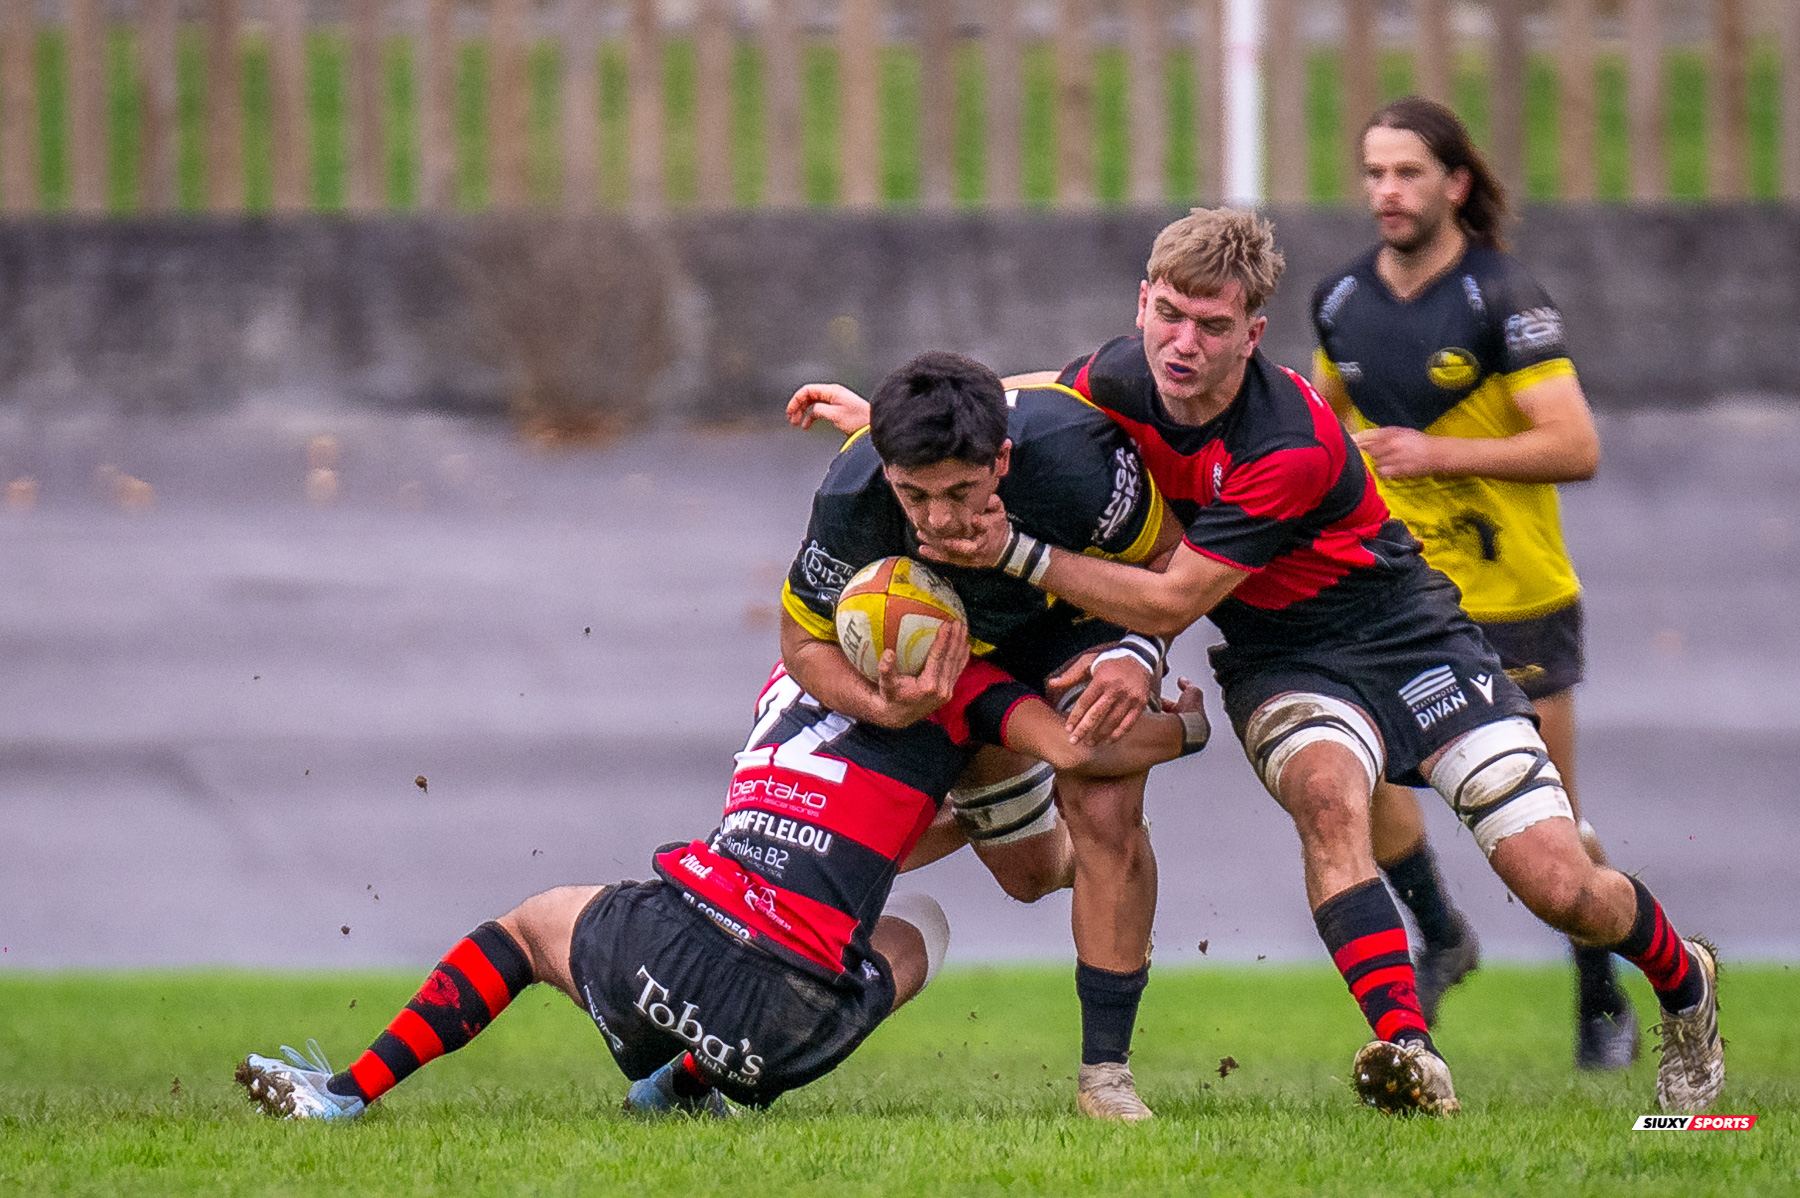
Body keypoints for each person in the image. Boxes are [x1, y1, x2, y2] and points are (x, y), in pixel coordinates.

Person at [802, 209, 1724, 1116]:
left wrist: (1015, 555)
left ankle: (1686, 983)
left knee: (1558, 885)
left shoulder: (1287, 442)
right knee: (1329, 803)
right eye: (1169, 314)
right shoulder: (1131, 372)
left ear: (1254, 332)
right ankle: (1408, 1049)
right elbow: (1021, 395)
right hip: (1282, 657)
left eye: (1211, 326)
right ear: (1143, 304)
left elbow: (1171, 599)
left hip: (1408, 639)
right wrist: (889, 419)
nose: (1183, 344)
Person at [237, 638, 1212, 1120]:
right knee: (914, 928)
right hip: (787, 1029)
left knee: (534, 925)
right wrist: (1187, 729)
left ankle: (347, 1091)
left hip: (656, 949)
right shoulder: (968, 697)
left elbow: (825, 821)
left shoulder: (787, 679)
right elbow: (1061, 776)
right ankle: (694, 1077)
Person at [1309, 96, 1633, 1068]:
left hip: (1517, 601)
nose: (1387, 192)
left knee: (1553, 835)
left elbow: (1576, 445)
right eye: (1373, 173)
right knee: (1349, 768)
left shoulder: (1505, 297)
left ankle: (1598, 988)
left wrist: (1435, 452)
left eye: (1407, 172)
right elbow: (1318, 437)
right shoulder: (1340, 302)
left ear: (1455, 183)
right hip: (1395, 604)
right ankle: (1440, 927)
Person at [780, 351, 1186, 1120]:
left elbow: (1170, 562)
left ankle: (1106, 1076)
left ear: (1002, 459)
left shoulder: (1073, 457)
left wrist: (1140, 651)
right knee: (1029, 876)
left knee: (1103, 812)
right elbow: (801, 646)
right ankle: (1112, 821)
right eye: (915, 494)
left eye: (962, 491)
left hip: (1078, 622)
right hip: (961, 667)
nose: (938, 518)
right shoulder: (854, 492)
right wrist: (883, 706)